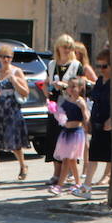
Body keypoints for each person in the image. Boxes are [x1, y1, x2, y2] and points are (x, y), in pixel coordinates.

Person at [41, 35, 88, 185]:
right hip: (56, 104)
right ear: (58, 48)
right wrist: (46, 90)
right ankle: (56, 172)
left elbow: (81, 85)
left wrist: (65, 86)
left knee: (69, 139)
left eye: (69, 47)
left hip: (70, 103)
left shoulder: (76, 65)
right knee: (54, 137)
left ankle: (69, 173)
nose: (67, 50)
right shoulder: (52, 64)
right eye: (64, 47)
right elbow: (46, 82)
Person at [0, 44, 30, 180]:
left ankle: (23, 165)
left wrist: (15, 80)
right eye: (3, 57)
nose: (6, 60)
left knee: (14, 142)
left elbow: (25, 92)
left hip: (11, 109)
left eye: (9, 57)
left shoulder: (16, 72)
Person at [49, 76, 88, 195]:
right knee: (71, 160)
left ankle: (59, 186)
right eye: (69, 86)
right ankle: (78, 183)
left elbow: (86, 116)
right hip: (66, 132)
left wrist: (86, 116)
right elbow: (61, 114)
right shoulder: (66, 100)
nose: (70, 89)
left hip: (76, 133)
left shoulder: (80, 101)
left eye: (74, 87)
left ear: (81, 88)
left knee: (67, 160)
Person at [83, 50, 112, 191]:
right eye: (99, 66)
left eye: (104, 66)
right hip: (97, 122)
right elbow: (94, 101)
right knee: (93, 156)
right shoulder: (100, 81)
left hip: (110, 124)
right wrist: (89, 118)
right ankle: (87, 185)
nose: (101, 69)